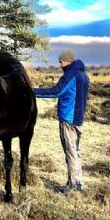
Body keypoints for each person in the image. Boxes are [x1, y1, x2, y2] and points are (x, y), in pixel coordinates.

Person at [34, 50, 90, 193]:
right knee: (75, 152)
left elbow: (56, 91)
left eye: (61, 62)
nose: (60, 65)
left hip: (68, 119)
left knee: (70, 152)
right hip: (77, 118)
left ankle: (72, 187)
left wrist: (32, 91)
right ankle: (77, 183)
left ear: (68, 61)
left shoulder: (71, 74)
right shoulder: (84, 75)